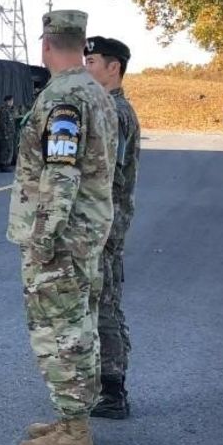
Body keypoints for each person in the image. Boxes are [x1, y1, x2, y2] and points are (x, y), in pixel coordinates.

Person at [7, 10, 118, 445]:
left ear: (46, 45)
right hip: (87, 232)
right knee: (79, 325)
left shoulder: (64, 99)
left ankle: (74, 433)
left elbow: (61, 174)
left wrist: (44, 236)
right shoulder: (96, 91)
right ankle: (73, 418)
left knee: (60, 330)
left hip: (63, 237)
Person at [84, 36, 141, 419]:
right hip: (103, 216)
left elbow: (106, 172)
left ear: (113, 67)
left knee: (105, 301)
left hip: (106, 219)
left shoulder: (117, 113)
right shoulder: (108, 108)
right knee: (102, 298)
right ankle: (106, 385)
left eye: (92, 61)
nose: (86, 67)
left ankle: (113, 390)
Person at [0, 94, 16, 173]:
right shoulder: (4, 111)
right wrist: (5, 134)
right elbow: (3, 123)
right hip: (5, 135)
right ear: (8, 101)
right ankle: (4, 165)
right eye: (11, 101)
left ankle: (6, 164)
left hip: (10, 134)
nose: (12, 102)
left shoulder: (10, 110)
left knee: (9, 150)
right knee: (6, 150)